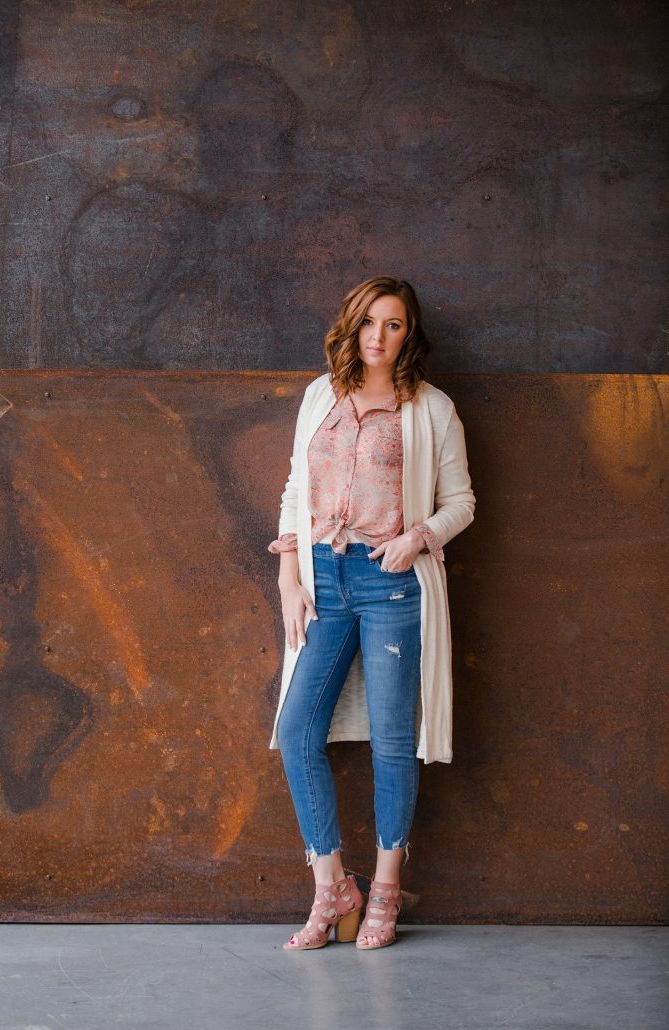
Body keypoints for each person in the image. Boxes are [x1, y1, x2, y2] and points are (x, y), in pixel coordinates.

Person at [267, 276, 475, 951]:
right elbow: (298, 486)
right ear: (351, 326)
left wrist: (417, 538)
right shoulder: (318, 397)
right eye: (369, 324)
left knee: (392, 742)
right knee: (297, 732)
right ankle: (332, 888)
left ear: (408, 332)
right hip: (324, 580)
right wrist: (288, 579)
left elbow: (461, 501)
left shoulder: (431, 408)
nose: (379, 337)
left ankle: (383, 891)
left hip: (392, 585)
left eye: (393, 325)